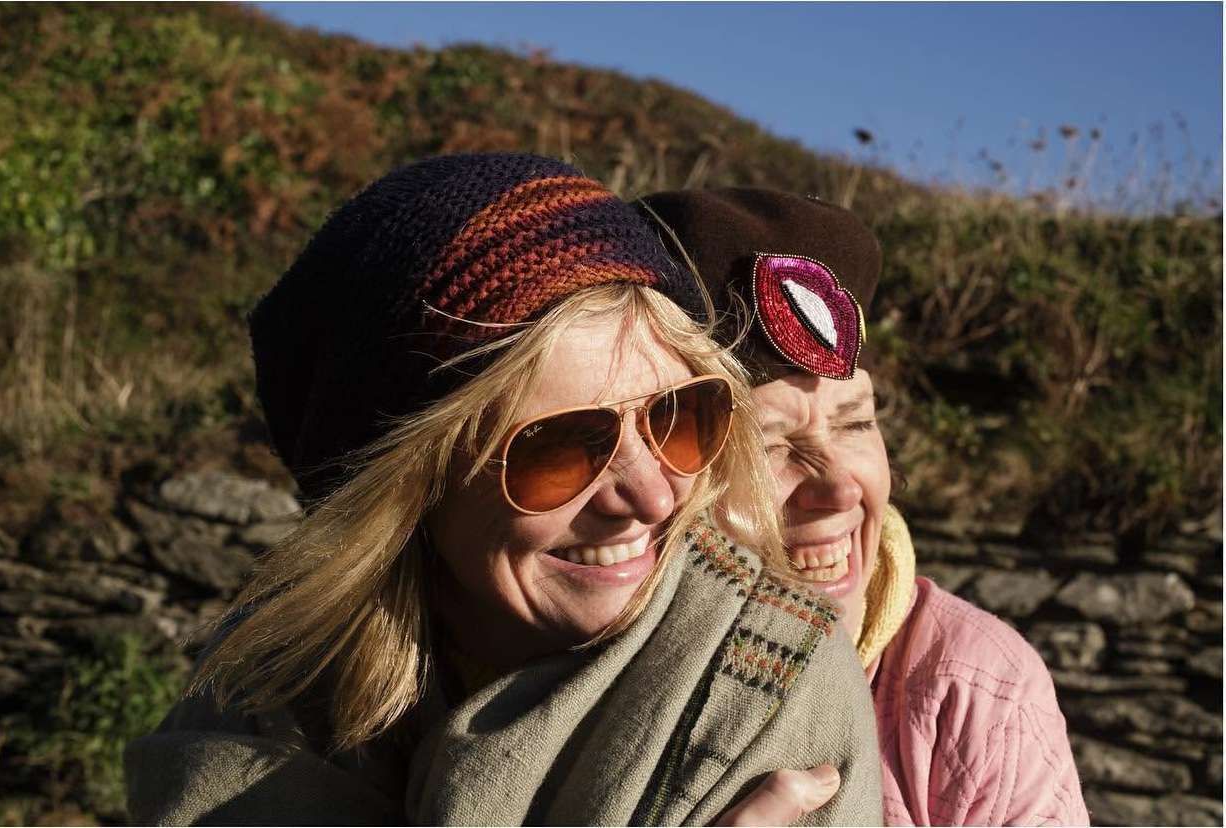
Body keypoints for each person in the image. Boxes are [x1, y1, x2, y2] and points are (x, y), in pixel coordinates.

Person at [124, 154, 884, 826]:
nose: (652, 497)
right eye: (558, 447)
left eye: (677, 417)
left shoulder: (759, 687)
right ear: (405, 490)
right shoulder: (265, 690)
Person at [637, 187, 1090, 826]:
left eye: (855, 424)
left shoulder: (975, 688)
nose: (842, 488)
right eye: (769, 444)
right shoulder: (570, 668)